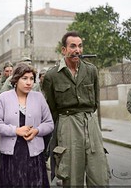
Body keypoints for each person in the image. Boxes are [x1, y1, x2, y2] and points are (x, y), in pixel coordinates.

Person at [42, 31, 110, 187]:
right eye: (73, 46)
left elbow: (95, 101)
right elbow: (50, 109)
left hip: (90, 123)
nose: (77, 50)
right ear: (64, 50)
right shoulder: (52, 76)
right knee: (72, 177)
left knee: (99, 174)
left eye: (80, 46)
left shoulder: (91, 70)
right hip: (68, 123)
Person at [0, 63, 54, 188]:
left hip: (34, 155)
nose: (29, 82)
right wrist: (16, 130)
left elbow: (49, 123)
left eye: (31, 79)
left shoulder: (39, 97)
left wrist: (37, 130)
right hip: (11, 155)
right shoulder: (4, 98)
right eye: (24, 78)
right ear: (16, 80)